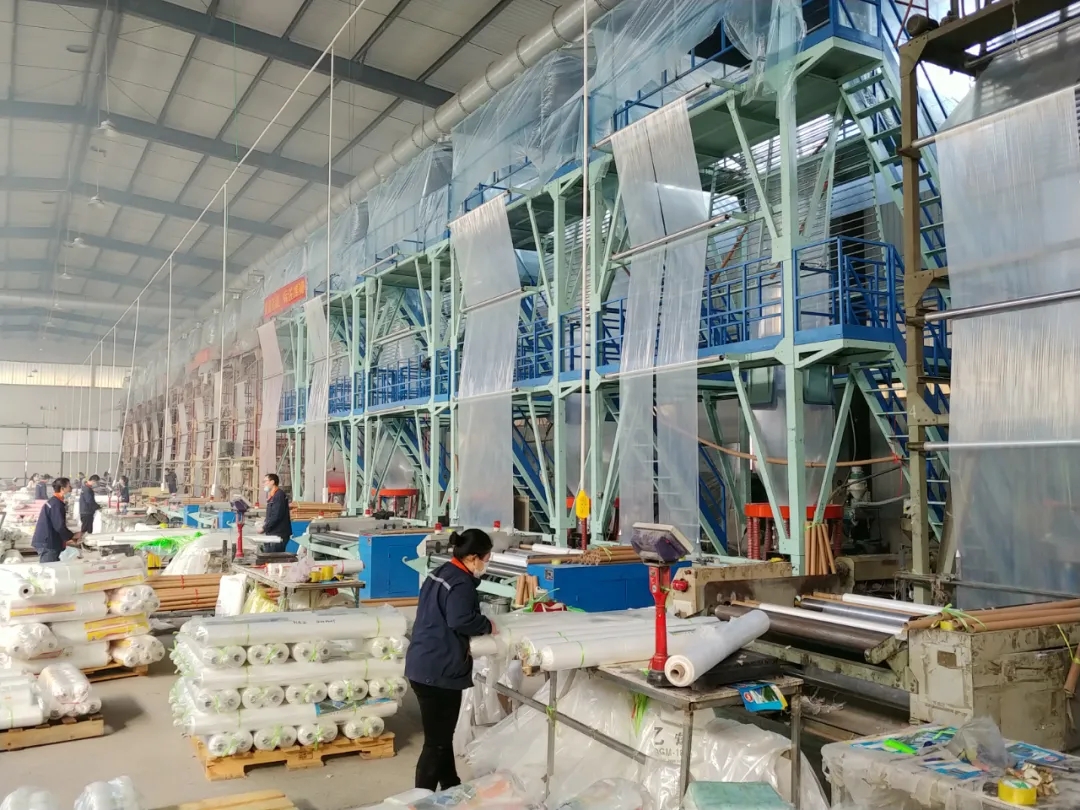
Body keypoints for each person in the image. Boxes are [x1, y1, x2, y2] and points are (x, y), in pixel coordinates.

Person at [405, 528, 495, 791]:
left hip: (422, 663)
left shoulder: (441, 572)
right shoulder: (461, 583)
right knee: (436, 744)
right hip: (439, 671)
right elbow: (461, 620)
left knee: (442, 738)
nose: (486, 564)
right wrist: (487, 625)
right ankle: (420, 800)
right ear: (473, 557)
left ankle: (451, 787)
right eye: (486, 559)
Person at [31, 477, 80, 563]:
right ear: (62, 489)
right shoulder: (56, 504)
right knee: (49, 569)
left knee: (54, 567)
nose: (70, 489)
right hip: (48, 543)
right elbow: (59, 526)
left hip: (48, 540)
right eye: (69, 486)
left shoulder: (54, 501)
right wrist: (72, 536)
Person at [261, 474, 291, 553]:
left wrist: (264, 528)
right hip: (273, 533)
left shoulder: (279, 495)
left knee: (273, 557)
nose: (263, 484)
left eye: (265, 481)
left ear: (272, 482)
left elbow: (276, 515)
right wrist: (264, 523)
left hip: (278, 534)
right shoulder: (273, 496)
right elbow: (271, 514)